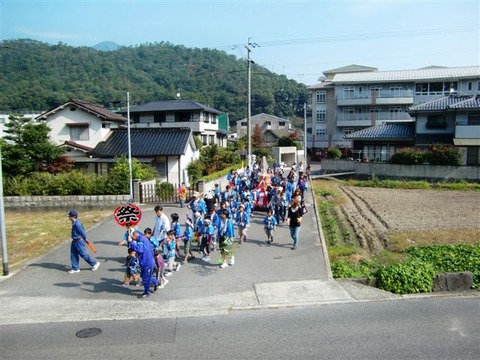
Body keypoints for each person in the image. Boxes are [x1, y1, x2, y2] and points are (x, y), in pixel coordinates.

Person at [128, 230, 159, 298]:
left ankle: (146, 292)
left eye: (132, 237)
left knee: (145, 279)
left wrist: (131, 242)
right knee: (144, 276)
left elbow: (139, 249)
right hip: (148, 260)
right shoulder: (144, 238)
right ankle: (156, 282)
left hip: (146, 262)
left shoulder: (141, 241)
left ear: (134, 236)